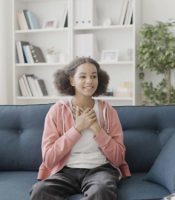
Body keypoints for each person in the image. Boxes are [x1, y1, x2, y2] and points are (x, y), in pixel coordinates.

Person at [30, 57, 131, 200]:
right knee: (40, 191)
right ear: (71, 80)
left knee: (102, 190)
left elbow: (118, 158)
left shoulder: (108, 111)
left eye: (94, 76)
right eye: (83, 76)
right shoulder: (57, 111)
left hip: (100, 170)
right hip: (66, 172)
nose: (89, 81)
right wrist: (77, 128)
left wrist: (97, 128)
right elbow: (49, 159)